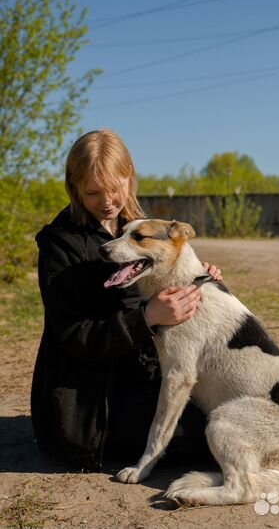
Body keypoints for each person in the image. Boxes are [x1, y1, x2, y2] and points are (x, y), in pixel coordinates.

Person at [31, 129, 221, 472]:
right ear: (73, 187)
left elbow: (163, 274)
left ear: (129, 176)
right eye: (92, 192)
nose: (106, 201)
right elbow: (75, 337)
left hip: (141, 374)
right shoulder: (59, 245)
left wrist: (194, 277)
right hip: (88, 400)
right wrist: (147, 317)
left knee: (218, 411)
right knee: (204, 433)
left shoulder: (133, 226)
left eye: (115, 189)